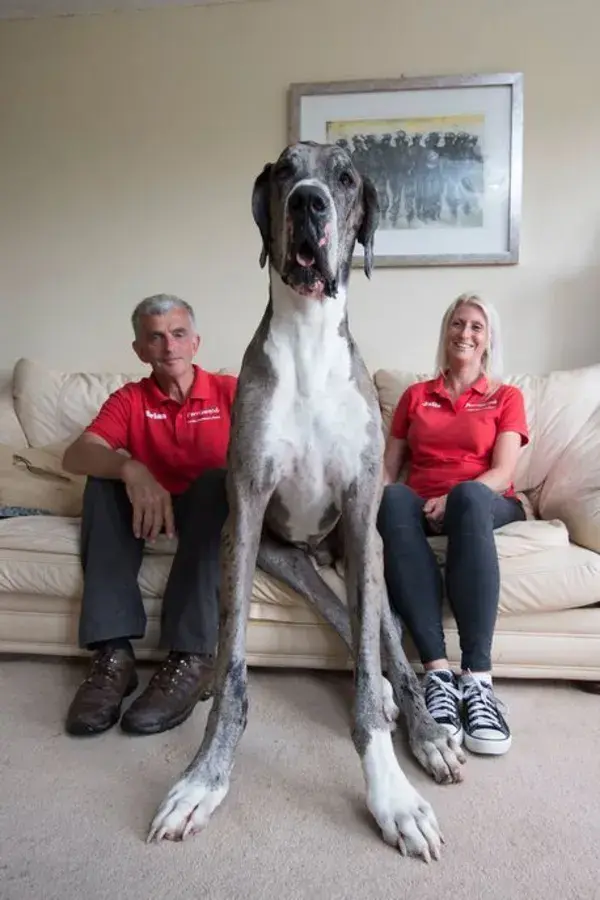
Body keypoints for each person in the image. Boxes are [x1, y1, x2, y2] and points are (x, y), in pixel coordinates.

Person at [62, 294, 237, 737]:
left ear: (196, 343)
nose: (169, 346)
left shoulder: (229, 391)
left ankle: (191, 657)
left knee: (217, 482)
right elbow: (77, 453)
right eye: (155, 338)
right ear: (140, 350)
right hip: (149, 513)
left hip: (209, 514)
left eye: (178, 335)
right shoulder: (131, 398)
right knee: (101, 482)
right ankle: (113, 657)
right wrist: (129, 466)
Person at [377, 293, 529, 756]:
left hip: (485, 502)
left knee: (468, 495)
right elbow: (388, 469)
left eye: (476, 327)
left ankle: (478, 680)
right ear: (445, 332)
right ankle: (438, 672)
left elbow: (503, 472)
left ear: (488, 340)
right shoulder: (415, 396)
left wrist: (454, 495)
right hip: (422, 504)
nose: (465, 333)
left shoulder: (506, 396)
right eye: (457, 324)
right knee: (393, 498)